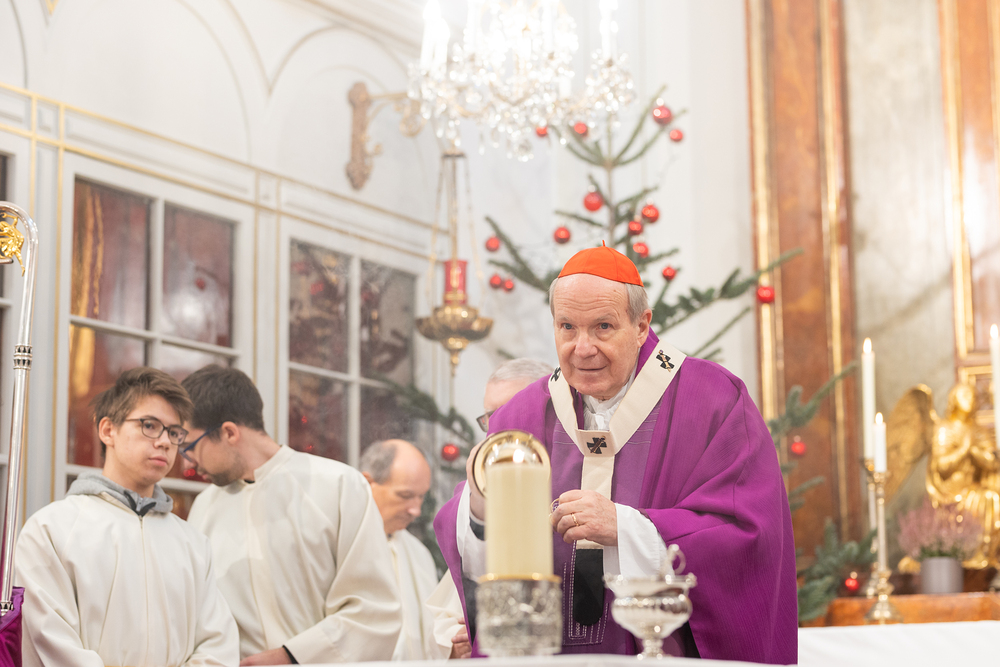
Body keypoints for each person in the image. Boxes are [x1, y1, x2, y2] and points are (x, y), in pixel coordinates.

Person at [434, 245, 798, 663]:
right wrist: (480, 510)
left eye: (603, 326)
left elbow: (749, 534)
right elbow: (468, 539)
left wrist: (625, 528)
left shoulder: (713, 401)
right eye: (567, 327)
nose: (582, 347)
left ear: (641, 325)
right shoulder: (521, 416)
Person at [15, 367, 239, 667]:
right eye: (150, 425)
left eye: (174, 432)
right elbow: (49, 642)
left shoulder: (193, 543)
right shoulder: (51, 530)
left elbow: (217, 646)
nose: (164, 442)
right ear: (108, 430)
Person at [181, 365, 401, 665]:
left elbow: (375, 609)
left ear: (229, 432)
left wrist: (291, 656)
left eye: (189, 447)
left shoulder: (338, 486)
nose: (187, 464)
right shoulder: (204, 507)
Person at [427, 357, 555, 659]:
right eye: (489, 416)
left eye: (510, 409)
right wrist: (459, 635)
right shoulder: (475, 491)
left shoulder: (575, 469)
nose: (497, 425)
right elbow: (453, 605)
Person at [360, 439, 449, 660]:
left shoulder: (419, 553)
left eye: (421, 496)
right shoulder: (342, 546)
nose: (416, 510)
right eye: (405, 496)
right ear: (367, 483)